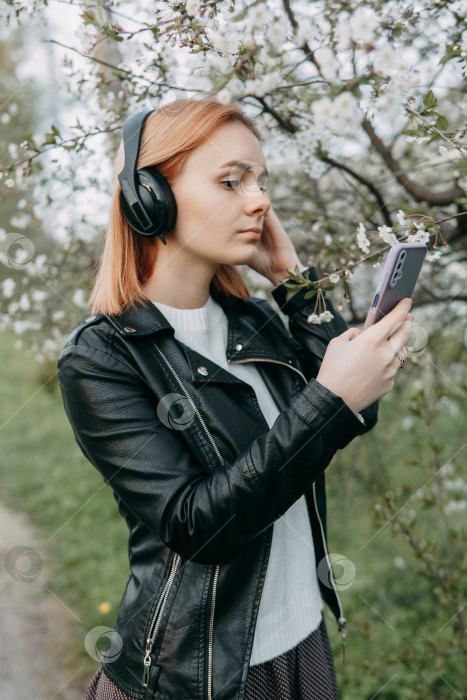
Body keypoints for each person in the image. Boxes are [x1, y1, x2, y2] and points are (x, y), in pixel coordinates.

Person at [57, 96, 413, 700]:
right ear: (151, 199)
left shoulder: (251, 319)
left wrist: (296, 284)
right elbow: (198, 527)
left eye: (259, 180)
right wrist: (329, 397)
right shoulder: (103, 357)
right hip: (198, 670)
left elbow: (358, 407)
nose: (260, 199)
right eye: (231, 181)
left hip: (302, 640)